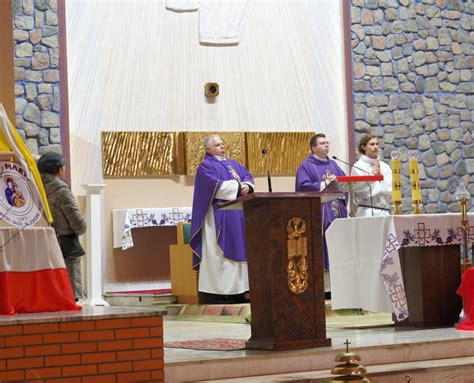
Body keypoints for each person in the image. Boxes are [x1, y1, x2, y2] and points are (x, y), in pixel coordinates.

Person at [190, 134, 254, 304]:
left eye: (222, 144)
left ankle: (240, 290)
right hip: (218, 216)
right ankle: (217, 292)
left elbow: (247, 175)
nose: (222, 147)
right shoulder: (206, 166)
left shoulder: (233, 164)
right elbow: (213, 186)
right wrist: (239, 187)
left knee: (240, 250)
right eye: (217, 145)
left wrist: (248, 185)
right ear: (209, 149)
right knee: (219, 254)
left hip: (238, 215)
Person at [37, 151, 87, 301]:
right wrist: (82, 228)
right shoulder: (61, 190)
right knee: (71, 293)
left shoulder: (35, 186)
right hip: (66, 244)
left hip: (43, 242)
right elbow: (78, 223)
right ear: (59, 170)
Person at [295, 133, 348, 269]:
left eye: (327, 143)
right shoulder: (306, 166)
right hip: (320, 214)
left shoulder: (334, 164)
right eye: (322, 143)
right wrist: (325, 183)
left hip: (338, 212)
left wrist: (339, 185)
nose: (326, 145)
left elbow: (345, 183)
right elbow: (303, 186)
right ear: (313, 148)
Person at [351, 133, 392, 217]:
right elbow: (364, 192)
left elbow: (390, 190)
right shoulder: (358, 166)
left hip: (384, 212)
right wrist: (375, 177)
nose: (376, 147)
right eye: (372, 144)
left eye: (377, 144)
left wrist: (379, 177)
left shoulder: (385, 166)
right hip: (366, 212)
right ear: (363, 147)